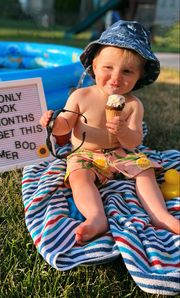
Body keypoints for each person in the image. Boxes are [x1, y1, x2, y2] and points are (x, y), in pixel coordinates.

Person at [40, 20, 180, 245]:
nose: (116, 78)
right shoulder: (81, 96)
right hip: (85, 153)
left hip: (118, 151)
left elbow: (135, 141)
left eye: (127, 71)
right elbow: (65, 125)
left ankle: (160, 215)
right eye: (108, 68)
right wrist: (52, 124)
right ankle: (96, 218)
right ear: (95, 66)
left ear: (138, 77)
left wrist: (123, 131)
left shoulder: (133, 104)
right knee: (78, 176)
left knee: (145, 170)